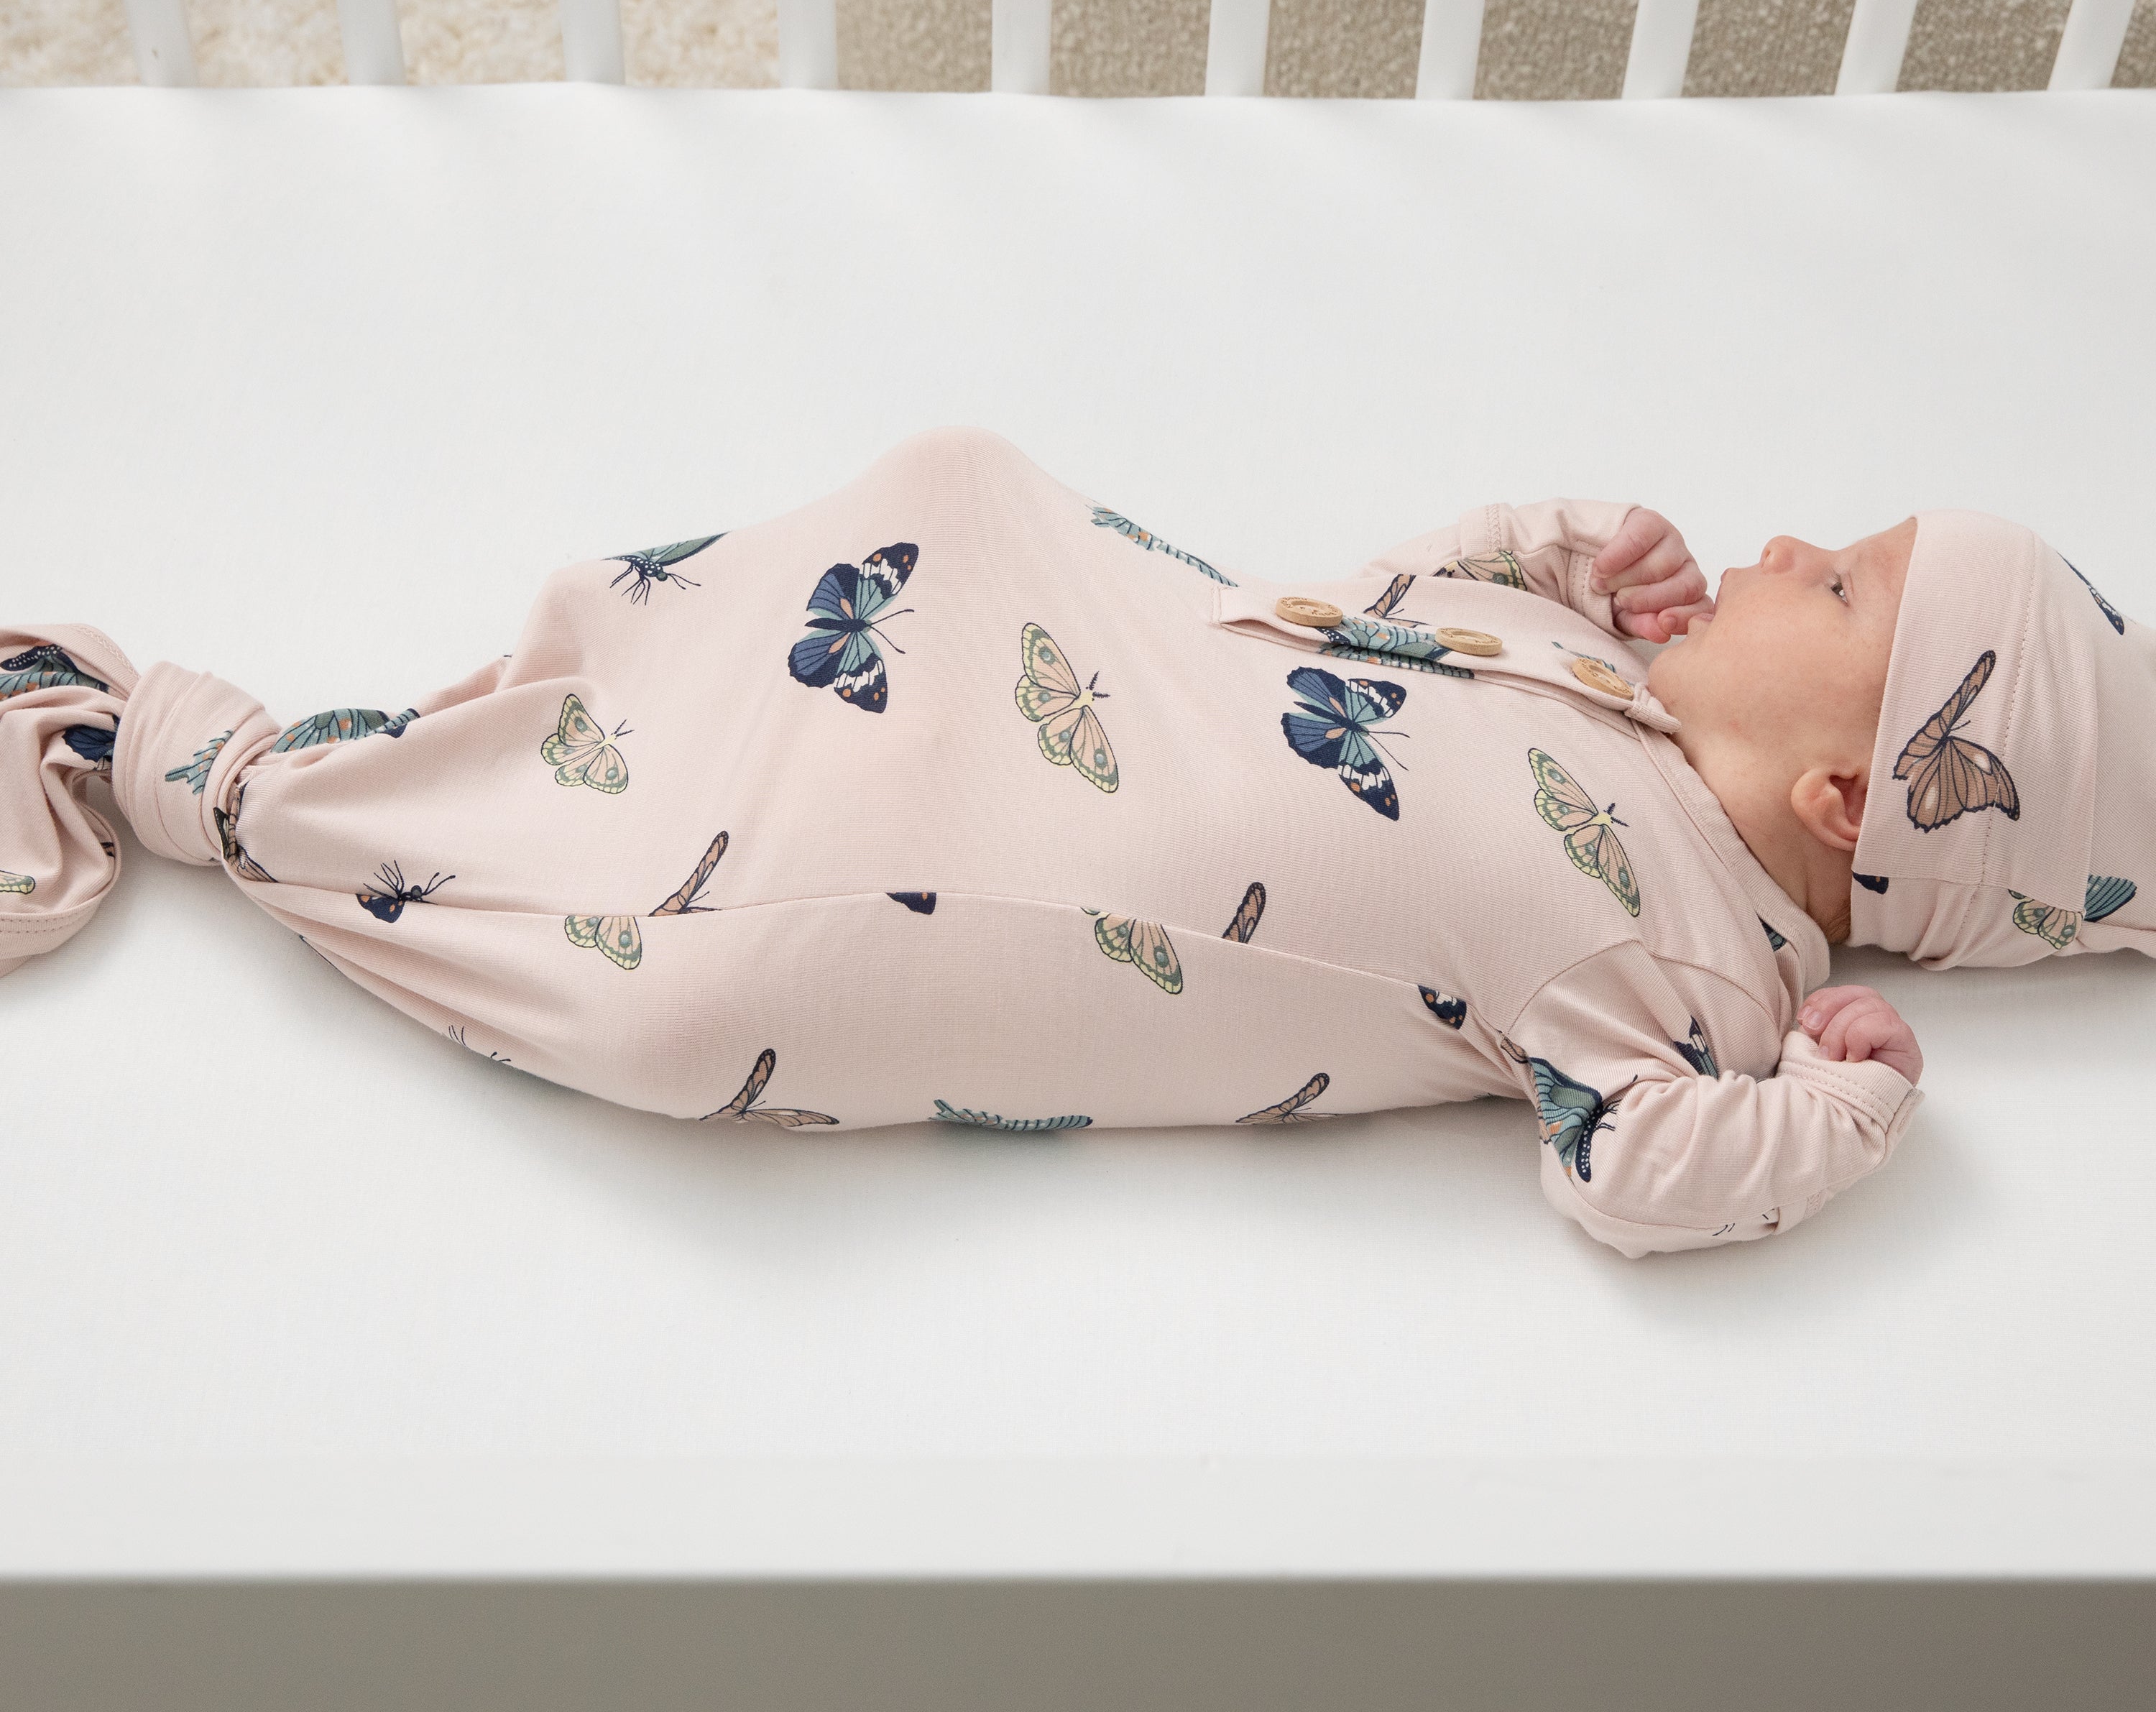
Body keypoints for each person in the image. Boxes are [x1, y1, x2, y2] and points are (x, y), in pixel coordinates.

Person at [2, 429, 2142, 1255]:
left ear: (1849, 809)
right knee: (930, 501)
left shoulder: (1695, 973)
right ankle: (408, 749)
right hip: (1028, 626)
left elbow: (1634, 1179)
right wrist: (1556, 540)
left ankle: (250, 788)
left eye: (1837, 589)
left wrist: (1842, 1109)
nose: (1777, 542)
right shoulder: (1573, 650)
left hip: (1015, 877)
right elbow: (1389, 599)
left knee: (715, 979)